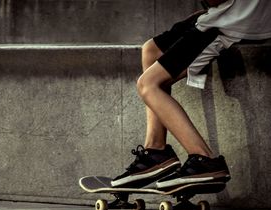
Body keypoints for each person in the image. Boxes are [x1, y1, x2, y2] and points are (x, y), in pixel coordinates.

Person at [111, 0, 271, 189]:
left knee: (148, 85)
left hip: (234, 22)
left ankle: (204, 160)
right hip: (231, 13)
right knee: (151, 50)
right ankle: (156, 150)